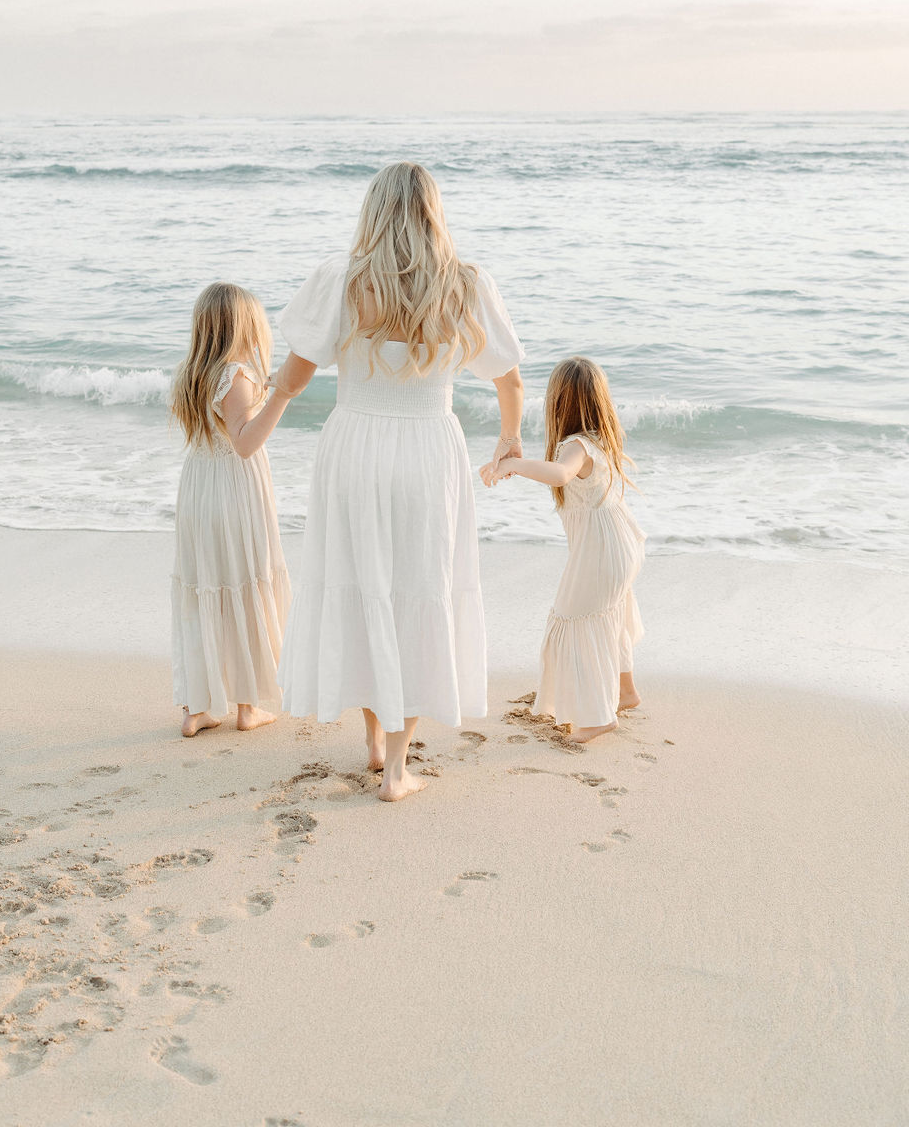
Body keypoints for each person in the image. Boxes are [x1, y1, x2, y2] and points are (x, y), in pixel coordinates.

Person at [268, 161, 525, 801]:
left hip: (354, 444)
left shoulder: (342, 280)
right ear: (434, 215)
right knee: (419, 589)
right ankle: (396, 767)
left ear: (374, 212)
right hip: (427, 451)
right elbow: (509, 378)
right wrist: (510, 439)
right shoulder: (464, 285)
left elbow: (296, 377)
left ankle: (373, 737)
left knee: (363, 585)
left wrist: (253, 416)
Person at [482, 356, 644, 742]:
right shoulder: (601, 439)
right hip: (621, 543)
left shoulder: (575, 446)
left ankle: (598, 717)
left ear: (558, 405)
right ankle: (625, 691)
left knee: (576, 619)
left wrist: (513, 468)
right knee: (610, 614)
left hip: (602, 552)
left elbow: (560, 474)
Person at [169, 282, 292, 737]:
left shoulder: (193, 372)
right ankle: (246, 706)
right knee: (243, 582)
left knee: (209, 585)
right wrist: (282, 395)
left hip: (201, 487)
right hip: (234, 491)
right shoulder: (236, 373)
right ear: (244, 325)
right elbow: (244, 443)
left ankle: (198, 707)